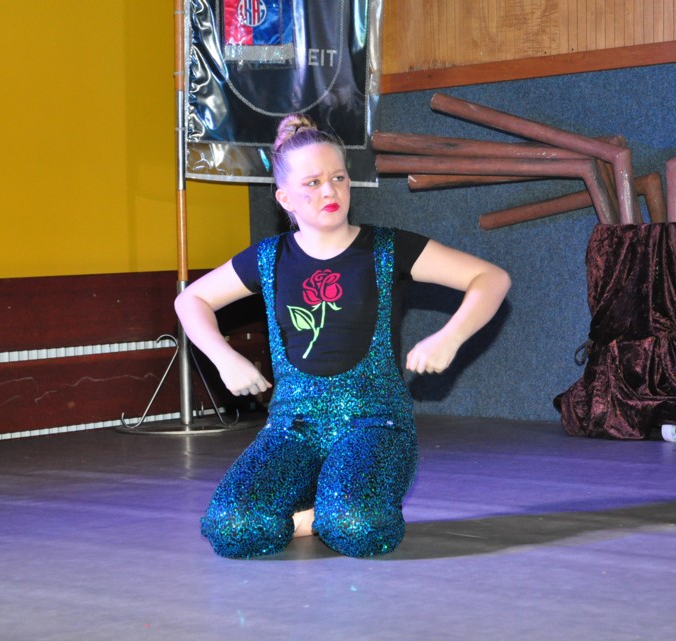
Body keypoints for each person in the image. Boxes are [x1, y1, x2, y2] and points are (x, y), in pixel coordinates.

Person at [174, 114, 511, 558]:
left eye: (338, 178)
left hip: (375, 422)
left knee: (357, 528)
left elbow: (490, 278)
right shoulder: (269, 258)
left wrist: (449, 337)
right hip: (293, 427)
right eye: (312, 183)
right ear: (285, 198)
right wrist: (224, 357)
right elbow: (191, 300)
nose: (330, 191)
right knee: (232, 528)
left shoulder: (387, 248)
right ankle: (322, 502)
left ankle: (336, 504)